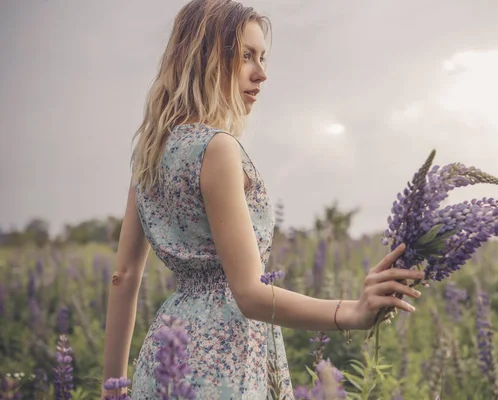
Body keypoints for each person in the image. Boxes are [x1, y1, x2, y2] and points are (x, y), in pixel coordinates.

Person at [101, 0, 424, 398]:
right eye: (246, 57)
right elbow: (250, 294)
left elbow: (124, 278)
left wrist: (113, 387)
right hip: (224, 360)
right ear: (206, 60)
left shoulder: (151, 149)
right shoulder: (217, 149)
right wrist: (353, 312)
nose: (262, 73)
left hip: (167, 352)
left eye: (263, 57)